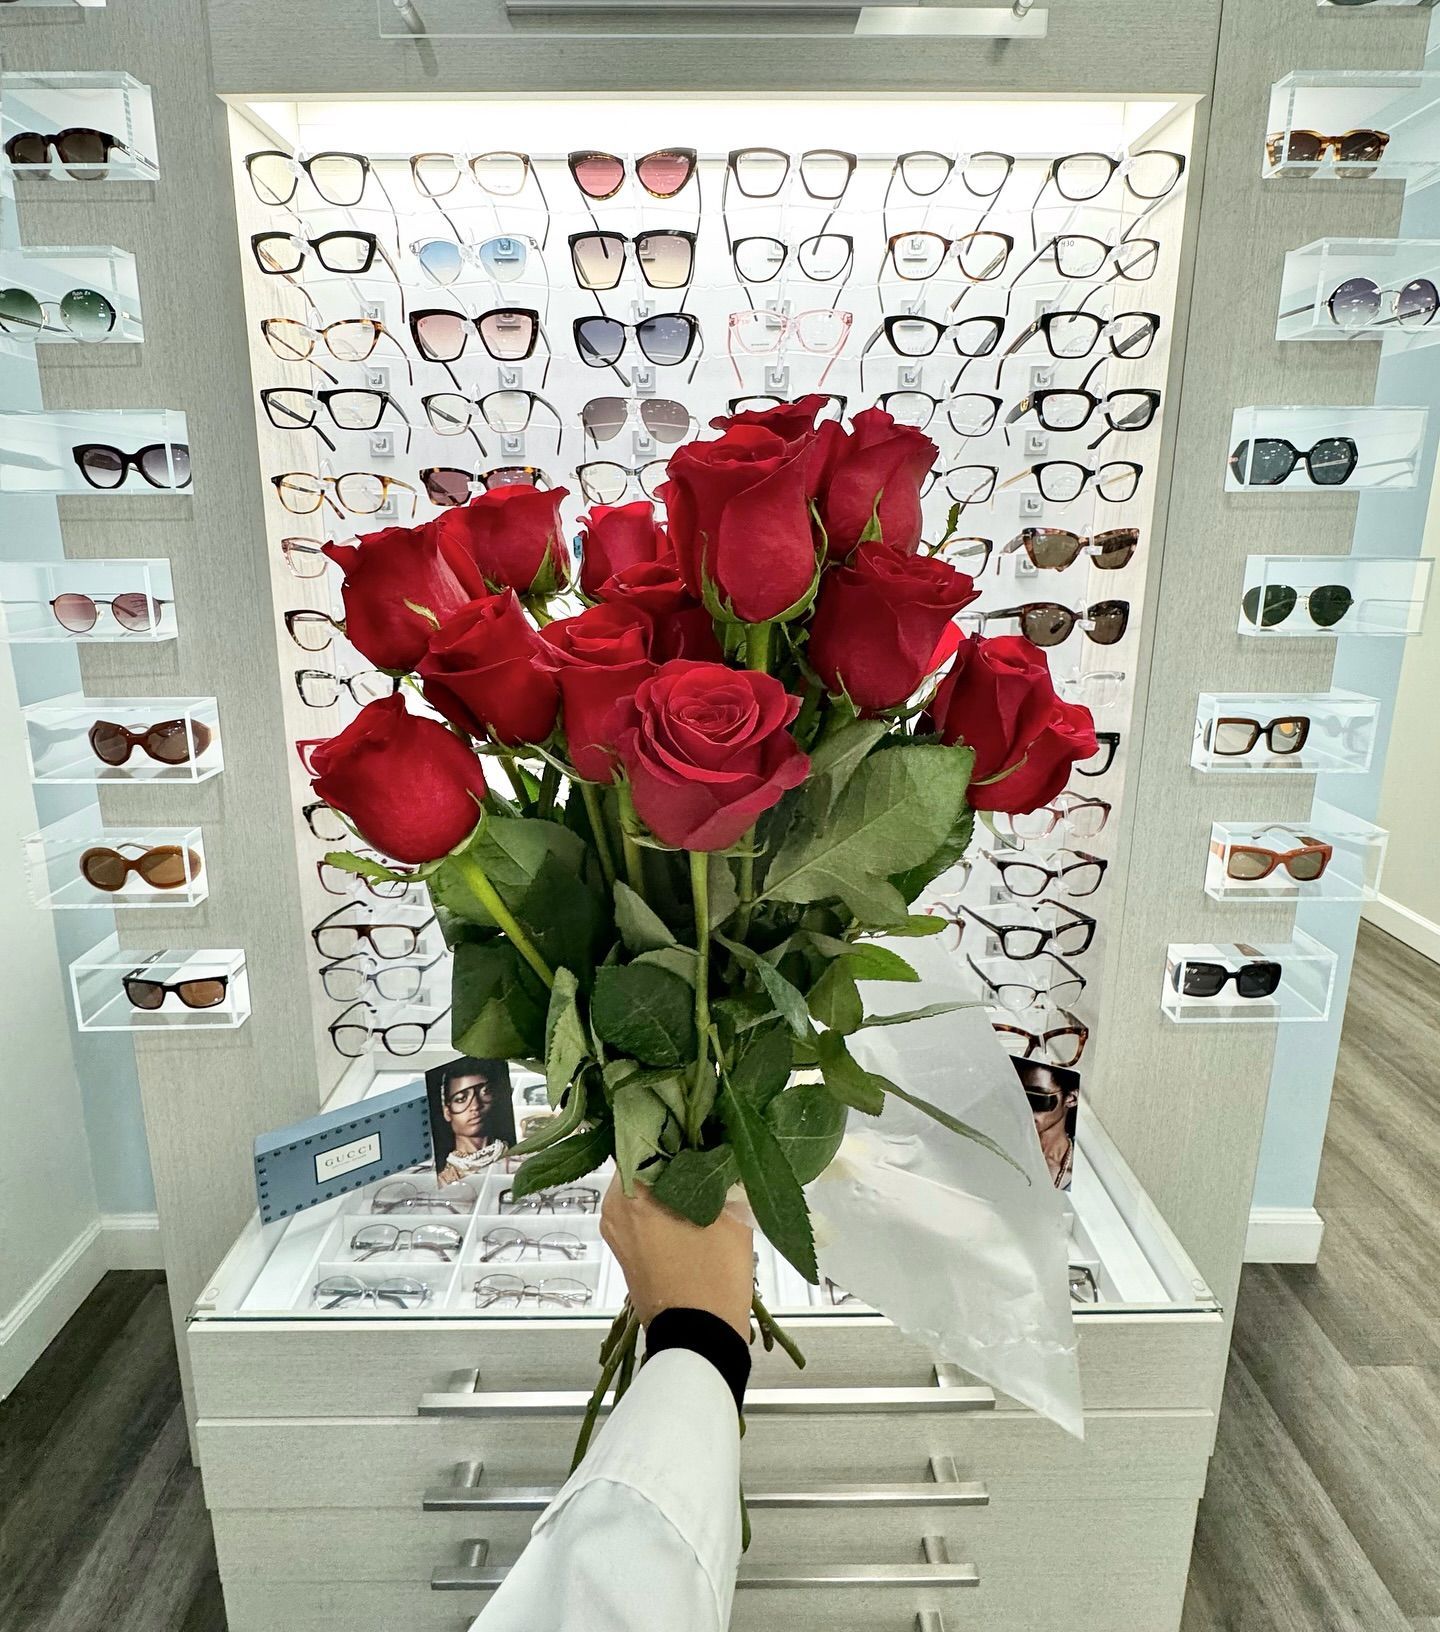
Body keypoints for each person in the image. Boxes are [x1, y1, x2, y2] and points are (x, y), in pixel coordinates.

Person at [472, 1177, 755, 1632]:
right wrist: (704, 1337)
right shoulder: (640, 1518)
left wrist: (693, 1335)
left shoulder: (637, 1512)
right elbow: (635, 1560)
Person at [435, 1060, 512, 1185]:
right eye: (461, 1099)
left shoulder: (514, 1154)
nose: (475, 1105)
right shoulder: (445, 1179)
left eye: (484, 1092)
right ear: (447, 1112)